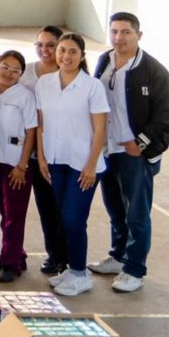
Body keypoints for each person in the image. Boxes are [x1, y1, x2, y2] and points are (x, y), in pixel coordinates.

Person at [92, 11, 169, 293]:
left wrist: (140, 142)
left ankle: (135, 270)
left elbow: (166, 114)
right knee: (115, 208)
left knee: (137, 214)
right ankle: (118, 257)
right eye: (114, 31)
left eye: (126, 32)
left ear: (139, 35)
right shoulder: (104, 60)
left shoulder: (154, 71)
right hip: (108, 150)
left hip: (134, 154)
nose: (119, 38)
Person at [36, 31, 110, 297]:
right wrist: (41, 157)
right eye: (62, 50)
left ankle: (80, 274)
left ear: (82, 56)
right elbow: (40, 124)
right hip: (55, 161)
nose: (66, 56)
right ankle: (71, 269)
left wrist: (90, 165)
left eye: (72, 52)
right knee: (62, 217)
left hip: (83, 165)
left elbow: (100, 129)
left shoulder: (92, 87)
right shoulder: (44, 83)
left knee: (73, 219)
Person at [17, 24, 69, 275]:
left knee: (64, 208)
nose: (45, 50)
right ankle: (54, 255)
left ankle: (67, 257)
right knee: (46, 207)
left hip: (61, 151)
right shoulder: (25, 72)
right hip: (33, 152)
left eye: (51, 45)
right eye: (40, 45)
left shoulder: (69, 73)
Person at [0, 50, 39, 283]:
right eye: (5, 67)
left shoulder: (25, 96)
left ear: (21, 74)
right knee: (4, 211)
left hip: (15, 163)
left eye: (16, 70)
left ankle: (10, 264)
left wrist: (22, 165)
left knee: (15, 215)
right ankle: (16, 254)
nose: (9, 73)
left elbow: (31, 132)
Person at [21, 25, 63, 90]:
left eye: (50, 45)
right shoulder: (25, 70)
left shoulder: (68, 74)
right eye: (39, 45)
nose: (44, 49)